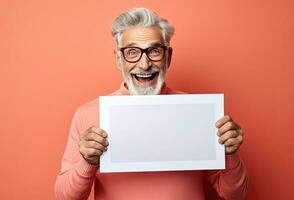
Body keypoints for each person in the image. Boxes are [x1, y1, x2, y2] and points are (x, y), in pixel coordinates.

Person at [55, 7, 248, 200]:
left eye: (154, 51)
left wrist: (230, 153)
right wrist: (87, 162)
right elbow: (65, 197)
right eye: (132, 52)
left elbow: (235, 194)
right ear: (118, 59)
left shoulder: (199, 112)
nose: (145, 64)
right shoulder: (87, 114)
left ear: (168, 57)